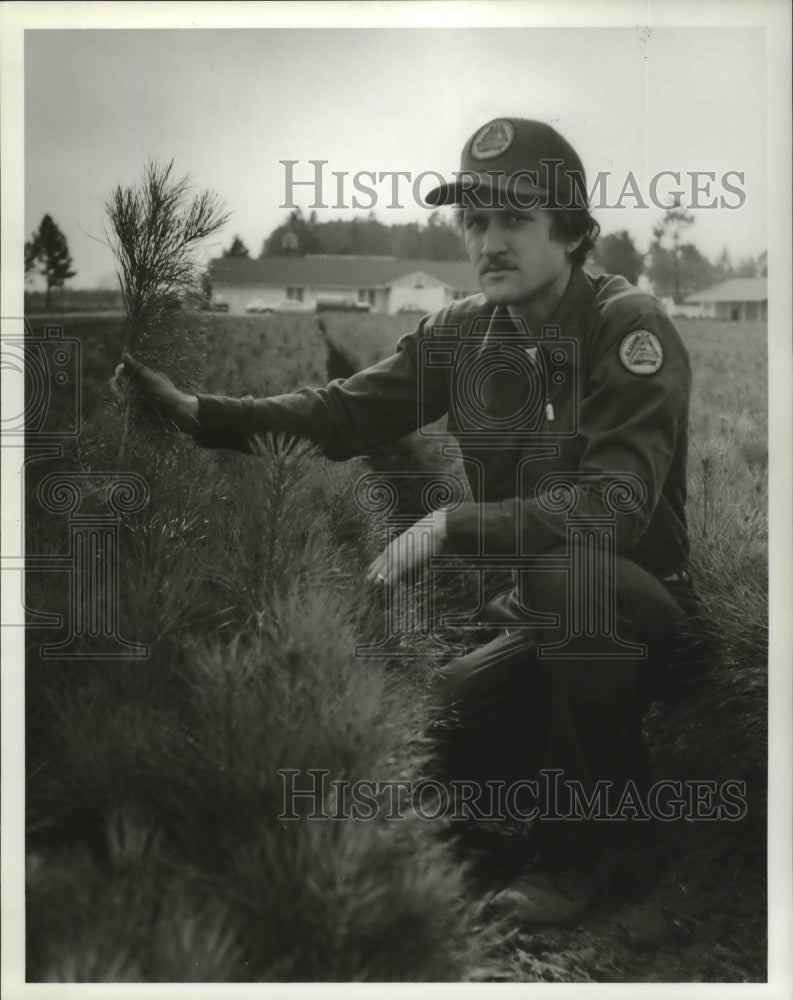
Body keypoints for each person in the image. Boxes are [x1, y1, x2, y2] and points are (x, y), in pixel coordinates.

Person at [113, 117, 701, 926]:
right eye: (473, 219)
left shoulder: (626, 325)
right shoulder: (463, 333)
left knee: (577, 578)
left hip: (644, 614)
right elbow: (338, 416)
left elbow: (613, 510)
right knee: (448, 738)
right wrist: (198, 414)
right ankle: (591, 795)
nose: (487, 240)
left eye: (513, 218)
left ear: (568, 229)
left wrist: (451, 526)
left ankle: (586, 849)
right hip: (546, 617)